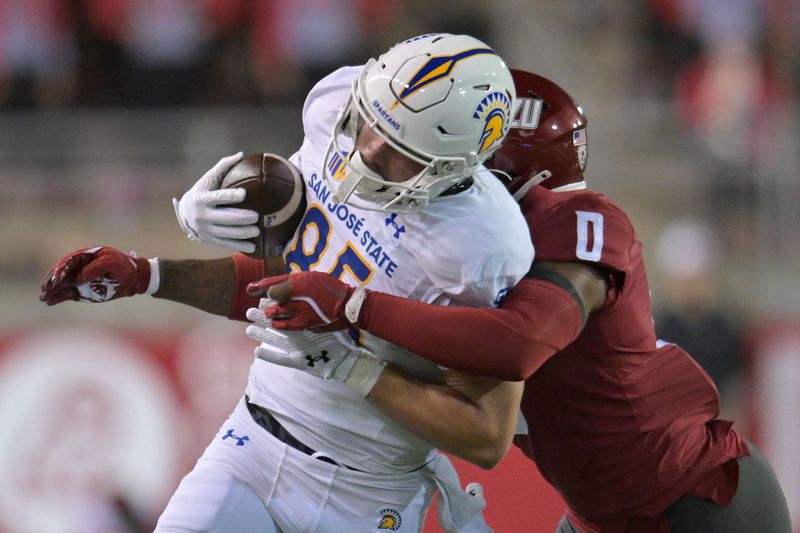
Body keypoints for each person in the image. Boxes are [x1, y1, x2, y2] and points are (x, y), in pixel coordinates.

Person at [243, 70, 792, 532]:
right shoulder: (450, 249)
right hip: (598, 513)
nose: (437, 173)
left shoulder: (577, 222)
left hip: (693, 496)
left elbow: (517, 343)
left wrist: (353, 305)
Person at [39, 33, 534, 532]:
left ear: (449, 168)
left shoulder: (481, 246)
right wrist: (148, 274)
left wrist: (353, 369)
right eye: (369, 119)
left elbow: (485, 435)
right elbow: (280, 279)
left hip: (371, 493)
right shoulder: (333, 105)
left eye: (396, 148)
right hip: (253, 442)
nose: (367, 147)